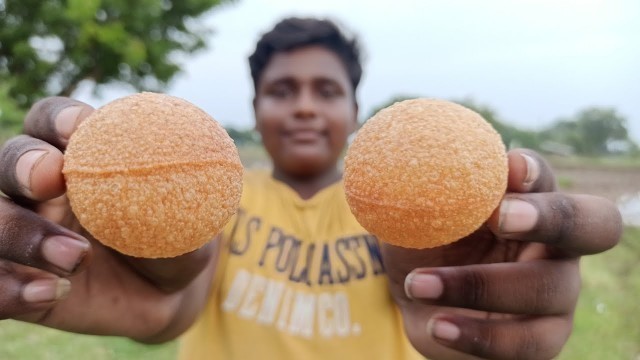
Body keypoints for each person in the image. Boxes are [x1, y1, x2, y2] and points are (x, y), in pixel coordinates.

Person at [0, 17, 623, 360]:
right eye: (281, 90)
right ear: (252, 107)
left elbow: (434, 304)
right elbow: (175, 305)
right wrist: (156, 289)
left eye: (325, 90)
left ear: (356, 112)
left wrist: (475, 308)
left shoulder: (409, 225)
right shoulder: (223, 205)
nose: (302, 108)